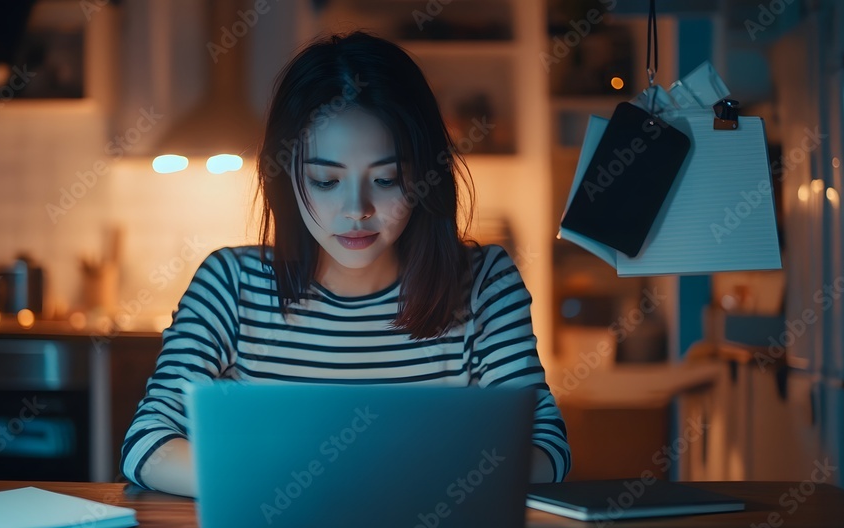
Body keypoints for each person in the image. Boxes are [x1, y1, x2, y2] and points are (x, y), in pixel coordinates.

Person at [120, 30, 571, 497]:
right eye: (325, 180)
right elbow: (147, 443)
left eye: (386, 178)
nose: (357, 210)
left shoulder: (484, 284)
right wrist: (282, 487)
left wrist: (382, 485)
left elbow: (546, 448)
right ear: (287, 178)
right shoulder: (230, 285)